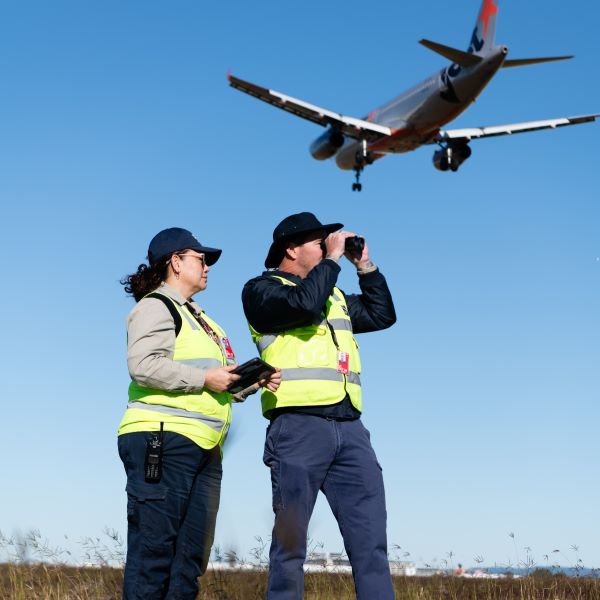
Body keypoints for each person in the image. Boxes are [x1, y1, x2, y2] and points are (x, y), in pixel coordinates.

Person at [118, 227, 279, 599]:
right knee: (153, 557)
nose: (207, 267)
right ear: (175, 262)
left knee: (188, 563)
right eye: (200, 259)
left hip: (205, 448)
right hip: (162, 440)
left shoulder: (206, 322)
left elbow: (218, 383)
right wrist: (205, 378)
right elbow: (143, 365)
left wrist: (254, 381)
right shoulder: (155, 306)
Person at [242, 212, 397, 599]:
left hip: (350, 429)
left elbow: (382, 314)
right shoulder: (262, 290)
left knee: (370, 544)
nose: (330, 247)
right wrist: (331, 261)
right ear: (291, 249)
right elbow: (306, 304)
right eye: (319, 242)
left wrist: (365, 266)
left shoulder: (334, 295)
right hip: (297, 429)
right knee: (291, 546)